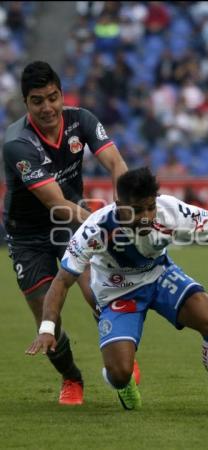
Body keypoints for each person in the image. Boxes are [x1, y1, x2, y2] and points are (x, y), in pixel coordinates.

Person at [26, 167, 208, 412]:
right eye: (136, 210)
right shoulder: (94, 229)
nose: (146, 217)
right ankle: (124, 386)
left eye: (150, 208)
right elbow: (62, 281)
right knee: (119, 373)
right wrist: (47, 329)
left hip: (159, 276)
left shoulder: (170, 210)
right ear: (119, 205)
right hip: (117, 293)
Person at [3, 61, 129, 405]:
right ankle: (72, 378)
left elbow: (117, 164)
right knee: (48, 316)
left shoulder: (82, 120)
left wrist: (124, 210)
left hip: (70, 223)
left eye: (52, 97)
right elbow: (55, 203)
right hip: (28, 234)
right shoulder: (17, 143)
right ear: (26, 103)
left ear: (61, 94)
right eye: (37, 101)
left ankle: (120, 357)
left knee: (98, 291)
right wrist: (104, 225)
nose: (47, 107)